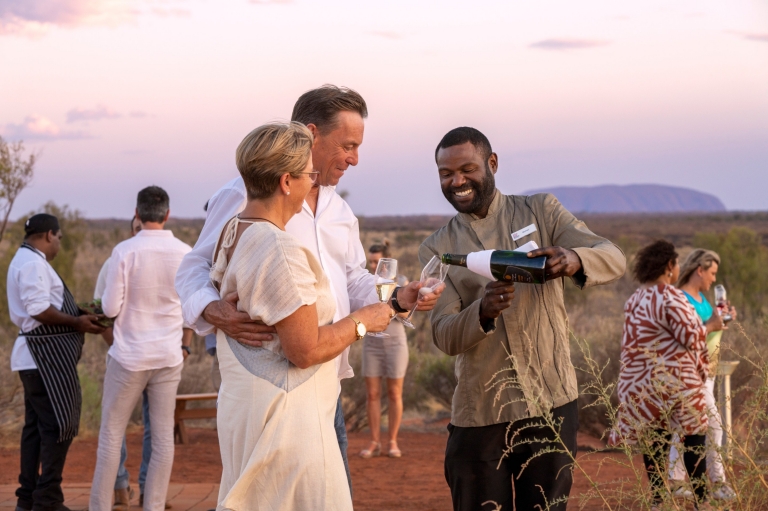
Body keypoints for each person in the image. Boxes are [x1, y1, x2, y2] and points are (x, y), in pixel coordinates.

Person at [174, 84, 441, 490]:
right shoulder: (243, 195)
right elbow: (193, 265)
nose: (354, 159)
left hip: (327, 378)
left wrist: (396, 297)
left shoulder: (339, 209)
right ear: (312, 134)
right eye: (348, 145)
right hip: (274, 383)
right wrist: (215, 311)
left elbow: (352, 277)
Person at [418, 127, 626, 511]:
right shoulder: (438, 247)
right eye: (446, 174)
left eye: (467, 169)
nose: (457, 181)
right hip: (482, 412)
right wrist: (482, 311)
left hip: (552, 401)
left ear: (492, 163)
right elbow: (444, 335)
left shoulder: (541, 210)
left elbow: (612, 255)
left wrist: (575, 259)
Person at [210, 122, 393, 509]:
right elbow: (304, 349)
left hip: (247, 405)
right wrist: (365, 320)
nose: (314, 184)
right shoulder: (279, 250)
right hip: (289, 419)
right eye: (310, 175)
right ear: (285, 181)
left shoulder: (234, 230)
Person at [89, 187, 193, 511]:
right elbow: (192, 307)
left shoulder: (124, 251)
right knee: (163, 438)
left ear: (137, 213)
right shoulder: (185, 252)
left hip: (129, 357)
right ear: (167, 214)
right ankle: (154, 505)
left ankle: (100, 507)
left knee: (110, 434)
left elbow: (108, 308)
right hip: (168, 357)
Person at [612, 240, 722, 509]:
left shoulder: (634, 299)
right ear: (669, 266)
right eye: (677, 264)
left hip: (640, 384)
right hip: (674, 380)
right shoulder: (670, 296)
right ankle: (702, 500)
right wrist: (710, 326)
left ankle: (659, 501)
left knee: (656, 440)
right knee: (696, 433)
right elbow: (690, 336)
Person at [8, 213, 105, 511]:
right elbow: (38, 309)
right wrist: (76, 321)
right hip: (43, 358)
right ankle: (47, 499)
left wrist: (80, 311)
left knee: (37, 428)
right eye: (60, 238)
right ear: (50, 235)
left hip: (35, 357)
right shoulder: (34, 264)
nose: (59, 243)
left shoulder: (23, 259)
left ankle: (28, 497)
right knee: (58, 425)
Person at [95, 217, 168, 511]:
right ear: (131, 231)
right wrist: (117, 343)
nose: (142, 234)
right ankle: (120, 486)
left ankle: (152, 491)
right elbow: (102, 311)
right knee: (116, 426)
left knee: (156, 428)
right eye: (137, 229)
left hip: (162, 359)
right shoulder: (118, 258)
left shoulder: (168, 257)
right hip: (126, 355)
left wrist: (184, 346)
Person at [668, 249, 737, 501]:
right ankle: (718, 483)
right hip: (691, 374)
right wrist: (711, 326)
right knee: (714, 426)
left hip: (708, 373)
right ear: (700, 270)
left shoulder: (702, 299)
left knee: (682, 428)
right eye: (712, 273)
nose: (713, 279)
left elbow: (709, 330)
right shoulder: (681, 300)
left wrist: (722, 321)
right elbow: (683, 338)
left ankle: (676, 482)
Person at [359, 241, 409, 459]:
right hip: (371, 342)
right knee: (372, 394)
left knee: (394, 393)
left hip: (395, 342)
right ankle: (374, 441)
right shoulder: (363, 282)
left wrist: (390, 302)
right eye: (370, 262)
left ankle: (392, 441)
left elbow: (407, 315)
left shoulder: (402, 282)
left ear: (387, 262)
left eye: (376, 261)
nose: (372, 266)